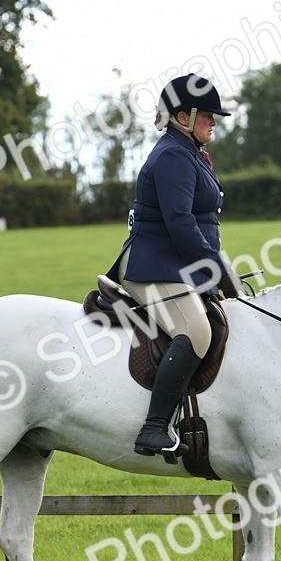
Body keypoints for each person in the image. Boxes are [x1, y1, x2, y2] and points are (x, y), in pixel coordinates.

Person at [106, 74, 242, 457]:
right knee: (197, 331)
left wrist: (218, 267)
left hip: (173, 264)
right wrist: (217, 267)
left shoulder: (188, 153)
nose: (214, 122)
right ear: (183, 116)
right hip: (152, 265)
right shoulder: (171, 157)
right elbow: (181, 224)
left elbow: (198, 226)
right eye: (208, 115)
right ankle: (153, 428)